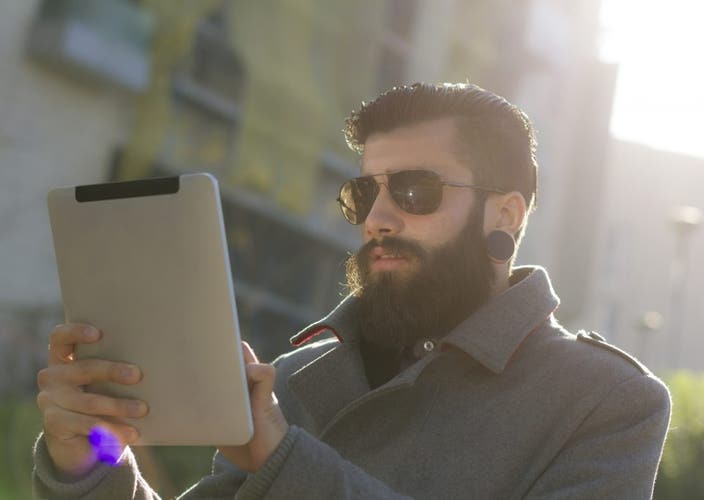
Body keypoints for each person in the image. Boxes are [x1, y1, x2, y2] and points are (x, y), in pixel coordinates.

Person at [33, 83, 671, 499]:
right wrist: (90, 451)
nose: (378, 218)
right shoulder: (293, 379)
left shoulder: (607, 402)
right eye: (365, 192)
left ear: (505, 215)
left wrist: (286, 462)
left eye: (415, 190)